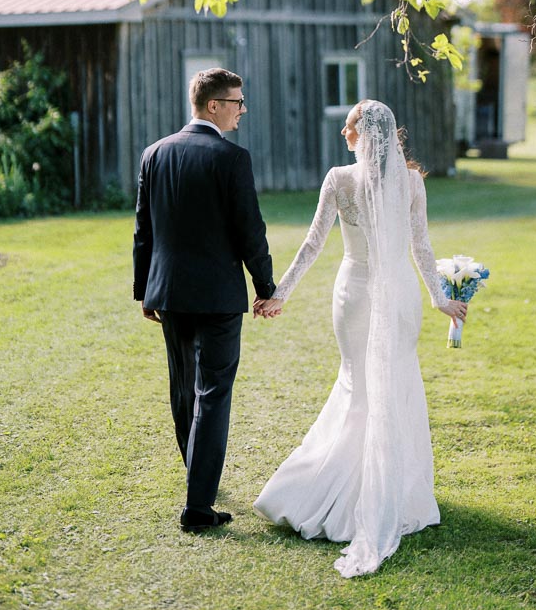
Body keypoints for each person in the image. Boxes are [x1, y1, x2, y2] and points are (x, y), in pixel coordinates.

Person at [253, 98, 467, 577]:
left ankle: (340, 492)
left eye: (348, 130)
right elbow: (421, 244)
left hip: (355, 291)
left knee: (358, 386)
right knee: (391, 386)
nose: (344, 137)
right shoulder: (410, 181)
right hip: (400, 295)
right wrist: (437, 298)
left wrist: (279, 294)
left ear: (360, 135)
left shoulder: (339, 179)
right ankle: (396, 492)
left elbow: (313, 243)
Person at [133, 67, 277, 533]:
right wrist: (265, 286)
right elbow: (250, 231)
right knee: (212, 394)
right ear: (213, 105)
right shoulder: (232, 159)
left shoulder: (154, 154)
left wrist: (144, 289)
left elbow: (144, 232)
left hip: (170, 292)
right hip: (217, 296)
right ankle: (198, 506)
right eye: (237, 102)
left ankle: (197, 483)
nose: (242, 110)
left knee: (183, 389)